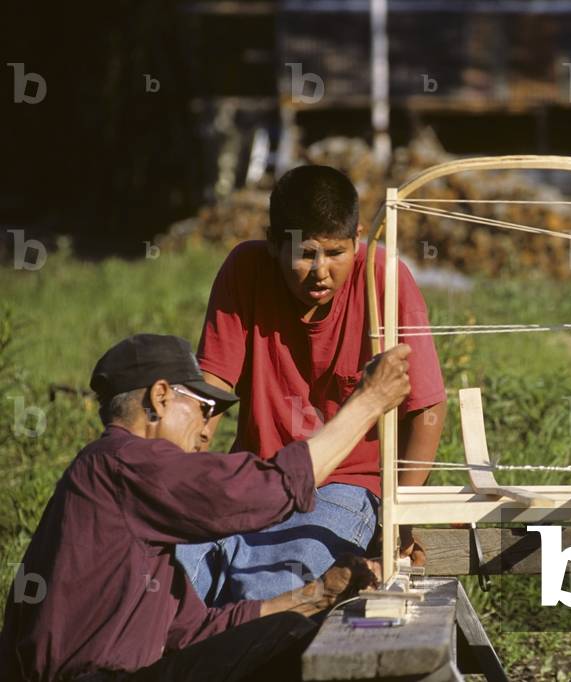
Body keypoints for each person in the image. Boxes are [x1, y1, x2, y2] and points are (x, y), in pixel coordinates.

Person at [0, 333, 410, 681]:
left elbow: (197, 630)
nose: (206, 431)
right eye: (203, 408)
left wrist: (319, 594)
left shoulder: (112, 474)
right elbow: (261, 491)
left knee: (294, 630)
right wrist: (368, 403)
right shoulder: (127, 462)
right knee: (295, 643)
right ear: (160, 398)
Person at [175, 165, 446, 606]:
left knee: (270, 585)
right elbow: (212, 384)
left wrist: (399, 519)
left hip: (347, 486)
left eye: (335, 253)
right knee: (174, 569)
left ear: (357, 237)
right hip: (258, 475)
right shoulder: (245, 269)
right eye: (305, 254)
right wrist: (180, 471)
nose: (320, 271)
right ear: (273, 243)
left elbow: (427, 409)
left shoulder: (383, 278)